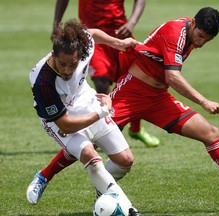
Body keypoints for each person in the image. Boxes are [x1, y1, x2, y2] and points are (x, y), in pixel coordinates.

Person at [27, 7, 219, 206]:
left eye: (207, 39)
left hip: (159, 99)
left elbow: (164, 78)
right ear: (193, 23)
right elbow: (172, 76)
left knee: (210, 133)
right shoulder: (175, 32)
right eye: (200, 36)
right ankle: (44, 176)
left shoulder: (191, 36)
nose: (201, 42)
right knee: (89, 140)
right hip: (131, 92)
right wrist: (204, 101)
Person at [27, 19, 141, 215]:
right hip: (59, 121)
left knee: (125, 161)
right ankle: (127, 208)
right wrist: (103, 112)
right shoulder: (42, 81)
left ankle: (103, 195)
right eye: (62, 64)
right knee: (89, 154)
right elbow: (67, 125)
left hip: (86, 101)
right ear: (53, 55)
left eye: (73, 64)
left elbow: (93, 33)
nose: (68, 70)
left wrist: (120, 44)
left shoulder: (83, 45)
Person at [51, 0, 160, 148]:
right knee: (102, 81)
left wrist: (132, 22)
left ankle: (135, 129)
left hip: (119, 33)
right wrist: (56, 25)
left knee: (138, 80)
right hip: (92, 37)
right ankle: (104, 132)